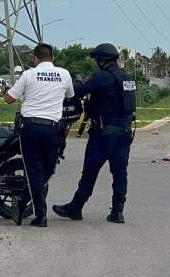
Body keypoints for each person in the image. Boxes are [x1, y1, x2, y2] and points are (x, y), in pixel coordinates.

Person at [53, 43, 136, 224]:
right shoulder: (127, 78)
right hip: (125, 132)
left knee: (89, 172)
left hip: (104, 132)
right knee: (120, 172)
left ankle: (76, 207)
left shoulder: (101, 77)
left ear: (101, 59)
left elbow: (76, 91)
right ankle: (117, 211)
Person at [3, 44, 74, 227]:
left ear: (35, 58)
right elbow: (70, 95)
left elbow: (10, 99)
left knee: (34, 171)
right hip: (52, 130)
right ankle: (38, 212)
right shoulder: (64, 74)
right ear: (53, 58)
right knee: (48, 170)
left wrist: (6, 91)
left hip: (31, 129)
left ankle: (30, 206)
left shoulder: (29, 74)